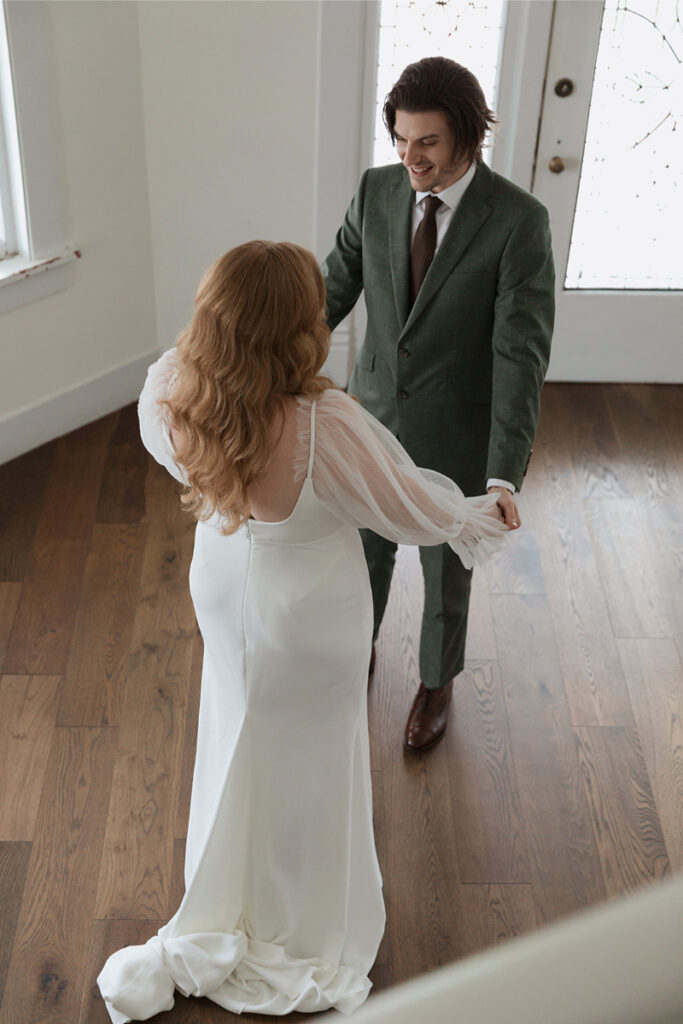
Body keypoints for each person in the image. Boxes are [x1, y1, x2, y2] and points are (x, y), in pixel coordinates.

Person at [97, 240, 509, 1022]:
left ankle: (227, 887)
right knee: (313, 755)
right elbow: (410, 512)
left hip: (222, 588)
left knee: (235, 730)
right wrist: (477, 514)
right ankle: (301, 911)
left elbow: (166, 386)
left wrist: (209, 346)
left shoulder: (177, 397)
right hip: (310, 612)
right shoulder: (324, 423)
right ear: (300, 326)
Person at [322, 56, 555, 752]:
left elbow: (520, 355)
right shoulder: (375, 191)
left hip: (457, 437)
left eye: (424, 142)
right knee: (359, 555)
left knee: (443, 577)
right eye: (398, 139)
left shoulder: (519, 222)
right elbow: (332, 289)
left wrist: (502, 474)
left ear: (465, 135)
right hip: (367, 424)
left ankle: (434, 682)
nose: (408, 156)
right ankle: (351, 650)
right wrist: (265, 359)